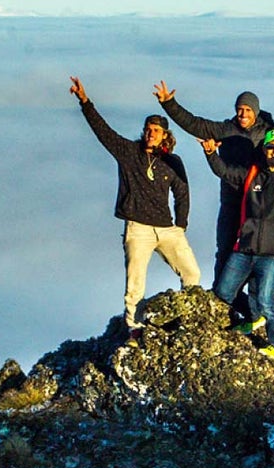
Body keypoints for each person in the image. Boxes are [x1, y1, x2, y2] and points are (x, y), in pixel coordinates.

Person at [70, 78, 200, 326]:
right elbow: (103, 131)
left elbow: (182, 193)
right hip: (138, 228)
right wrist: (85, 102)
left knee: (192, 273)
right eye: (148, 129)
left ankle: (187, 318)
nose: (151, 133)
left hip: (166, 227)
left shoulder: (173, 161)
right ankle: (133, 328)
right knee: (135, 283)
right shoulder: (129, 152)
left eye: (156, 130)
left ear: (164, 136)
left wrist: (181, 225)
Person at [201, 127, 274, 359]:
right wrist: (211, 154)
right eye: (270, 146)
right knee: (222, 292)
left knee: (266, 299)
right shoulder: (252, 173)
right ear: (264, 149)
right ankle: (253, 318)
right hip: (245, 246)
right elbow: (225, 172)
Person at [155, 83, 271, 284]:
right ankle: (221, 299)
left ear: (256, 111)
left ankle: (254, 306)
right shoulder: (225, 129)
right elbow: (194, 124)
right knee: (225, 249)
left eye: (248, 110)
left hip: (259, 201)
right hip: (231, 199)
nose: (243, 114)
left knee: (257, 252)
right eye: (240, 109)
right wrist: (169, 104)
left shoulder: (268, 131)